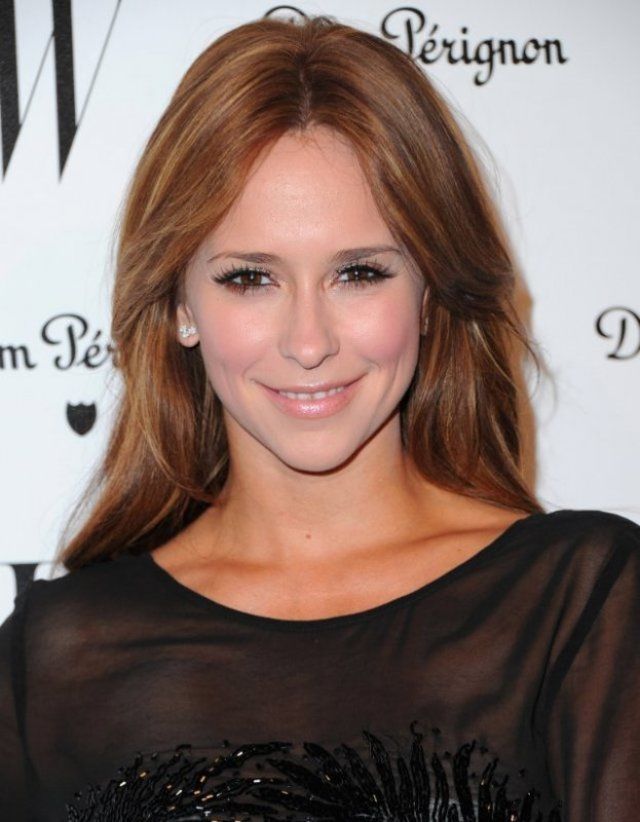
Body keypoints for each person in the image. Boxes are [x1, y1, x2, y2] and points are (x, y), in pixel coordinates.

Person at [1, 13, 638, 822]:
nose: (309, 342)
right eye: (250, 278)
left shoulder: (577, 603)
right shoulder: (59, 654)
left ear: (431, 293)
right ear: (179, 305)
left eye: (359, 273)